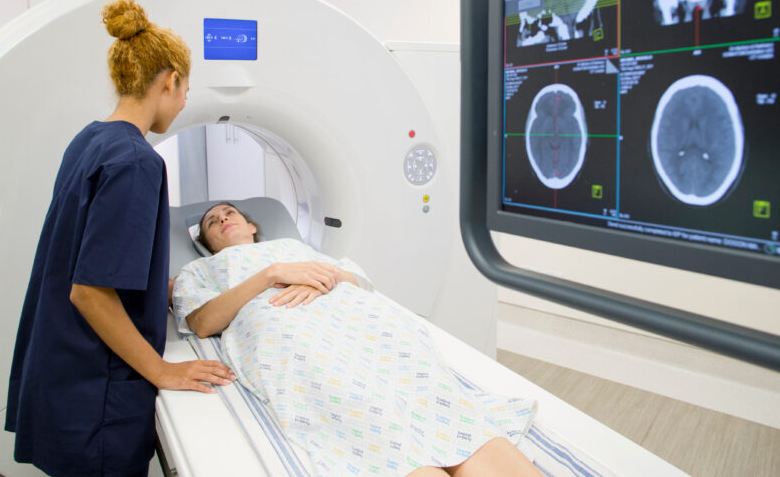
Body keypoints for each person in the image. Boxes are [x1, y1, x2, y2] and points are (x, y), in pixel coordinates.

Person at [5, 0, 234, 477]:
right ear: (169, 81)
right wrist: (162, 371)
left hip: (61, 367)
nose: (185, 102)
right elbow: (89, 291)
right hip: (97, 390)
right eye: (187, 90)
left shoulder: (90, 139)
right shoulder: (136, 162)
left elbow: (87, 254)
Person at [173, 203, 542, 477]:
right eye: (212, 222)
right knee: (354, 393)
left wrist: (322, 275)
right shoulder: (202, 269)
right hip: (286, 329)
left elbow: (358, 281)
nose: (223, 219)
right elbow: (202, 322)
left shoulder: (296, 246)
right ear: (205, 241)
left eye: (228, 213)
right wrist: (272, 274)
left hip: (354, 316)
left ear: (252, 225)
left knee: (417, 374)